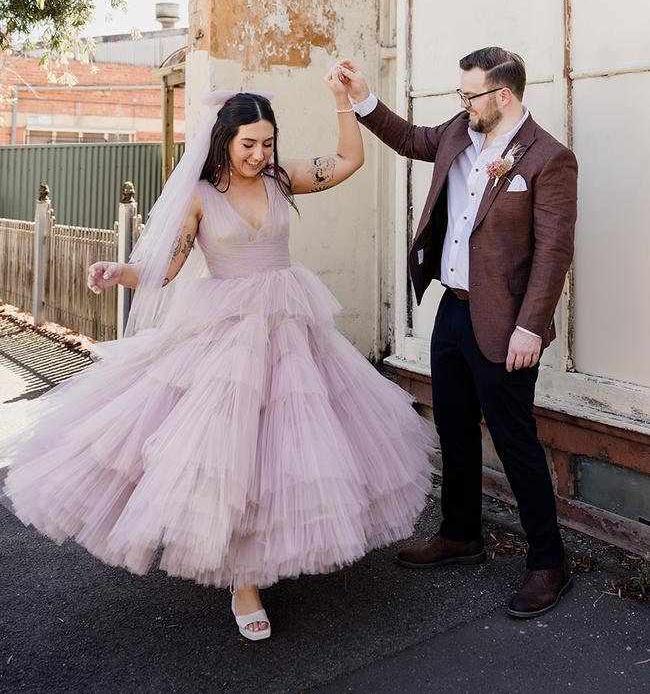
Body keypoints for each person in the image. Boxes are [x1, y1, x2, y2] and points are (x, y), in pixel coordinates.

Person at [3, 70, 432, 641]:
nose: (258, 154)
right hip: (224, 335)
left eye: (267, 143)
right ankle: (244, 581)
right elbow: (168, 266)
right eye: (247, 144)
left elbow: (348, 161)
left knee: (286, 448)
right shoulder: (201, 197)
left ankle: (270, 548)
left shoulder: (282, 180)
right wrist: (119, 271)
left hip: (291, 330)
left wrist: (340, 100)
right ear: (224, 140)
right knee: (228, 454)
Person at [337, 47, 578, 619]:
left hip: (506, 324)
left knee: (515, 440)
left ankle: (549, 561)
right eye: (461, 94)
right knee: (453, 426)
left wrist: (530, 328)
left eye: (471, 95)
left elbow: (554, 254)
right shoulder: (459, 132)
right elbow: (410, 138)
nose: (462, 104)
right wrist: (361, 95)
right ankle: (461, 534)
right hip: (452, 312)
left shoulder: (549, 159)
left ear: (504, 96)